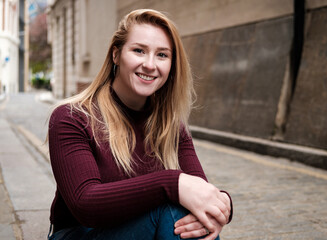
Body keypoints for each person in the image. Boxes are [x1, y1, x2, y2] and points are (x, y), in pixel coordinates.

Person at [47, 9, 233, 240]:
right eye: (138, 51)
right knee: (172, 212)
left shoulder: (172, 127)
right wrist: (171, 182)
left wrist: (222, 206)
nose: (149, 64)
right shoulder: (72, 117)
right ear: (116, 55)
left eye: (162, 55)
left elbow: (199, 190)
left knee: (188, 217)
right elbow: (85, 204)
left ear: (172, 65)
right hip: (81, 233)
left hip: (150, 228)